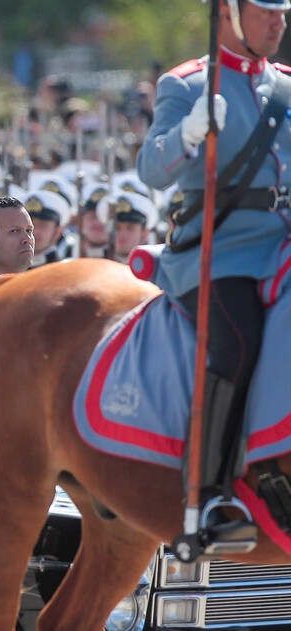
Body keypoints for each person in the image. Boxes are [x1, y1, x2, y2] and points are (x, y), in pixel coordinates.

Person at [137, 0, 291, 542]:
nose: (280, 23)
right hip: (221, 246)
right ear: (227, 12)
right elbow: (152, 169)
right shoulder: (186, 85)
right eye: (267, 12)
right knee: (238, 341)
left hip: (284, 244)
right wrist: (188, 134)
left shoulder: (287, 85)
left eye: (284, 12)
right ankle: (207, 494)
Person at [23, 189, 76, 267]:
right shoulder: (9, 270)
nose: (35, 230)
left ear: (58, 231)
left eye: (42, 225)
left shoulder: (66, 271)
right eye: (30, 225)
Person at [101, 192, 156, 264]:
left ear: (144, 234)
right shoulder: (99, 268)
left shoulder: (154, 269)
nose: (122, 234)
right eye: (117, 228)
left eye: (131, 228)